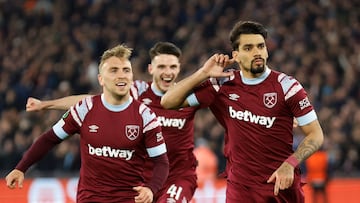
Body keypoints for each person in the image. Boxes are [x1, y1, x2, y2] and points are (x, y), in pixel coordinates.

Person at [161, 20, 324, 202]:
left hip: (280, 187)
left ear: (267, 50)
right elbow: (168, 101)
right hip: (241, 189)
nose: (257, 52)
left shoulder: (287, 87)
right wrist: (203, 73)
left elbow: (315, 135)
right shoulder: (222, 84)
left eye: (260, 46)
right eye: (248, 48)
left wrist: (290, 164)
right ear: (236, 55)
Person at [25, 42, 201, 203]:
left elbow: (221, 99)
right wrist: (47, 105)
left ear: (179, 69)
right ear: (151, 69)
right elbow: (93, 101)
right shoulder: (137, 91)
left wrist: (207, 72)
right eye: (161, 66)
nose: (167, 72)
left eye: (172, 67)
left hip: (178, 175)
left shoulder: (190, 96)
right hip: (145, 178)